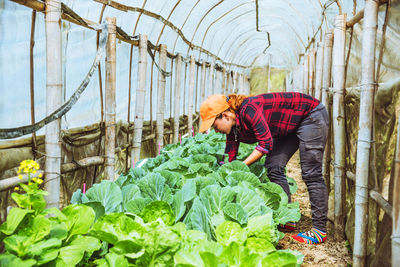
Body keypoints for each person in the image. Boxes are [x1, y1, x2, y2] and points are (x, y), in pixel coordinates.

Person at [199, 92, 329, 244]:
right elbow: (229, 158)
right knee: (274, 166)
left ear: (226, 115)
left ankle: (319, 231)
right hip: (289, 126)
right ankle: (287, 217)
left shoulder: (249, 109)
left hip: (310, 116)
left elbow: (265, 144)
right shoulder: (233, 129)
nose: (216, 130)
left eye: (215, 125)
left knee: (311, 173)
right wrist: (220, 175)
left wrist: (241, 166)